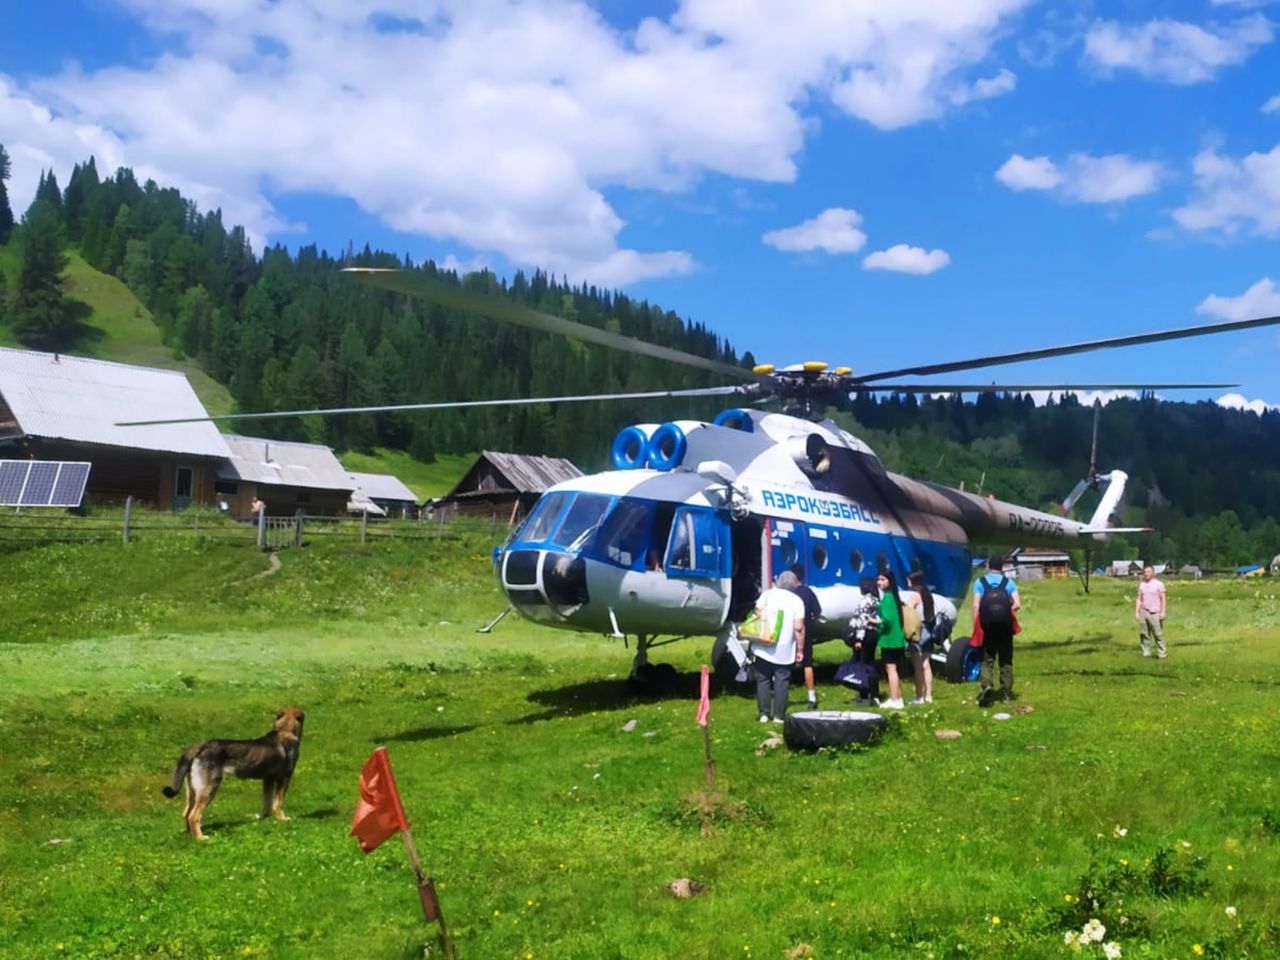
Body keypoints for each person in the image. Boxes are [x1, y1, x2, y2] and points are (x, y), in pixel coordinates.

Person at [746, 571, 807, 723]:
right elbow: (799, 627)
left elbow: (757, 614)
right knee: (782, 681)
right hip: (785, 649)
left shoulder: (767, 595)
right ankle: (779, 716)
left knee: (763, 680)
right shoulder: (797, 601)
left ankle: (764, 714)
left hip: (763, 644)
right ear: (794, 584)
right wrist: (800, 650)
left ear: (778, 582)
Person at [972, 555, 1020, 707]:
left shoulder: (980, 582)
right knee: (1005, 659)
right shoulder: (1008, 582)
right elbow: (1017, 604)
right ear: (1002, 567)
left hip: (987, 627)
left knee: (987, 659)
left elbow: (975, 606)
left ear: (988, 566)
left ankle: (987, 686)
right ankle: (1006, 692)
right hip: (1005, 627)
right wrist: (1006, 610)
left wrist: (977, 624)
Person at [868, 569, 907, 710]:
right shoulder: (893, 596)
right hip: (896, 638)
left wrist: (873, 621)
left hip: (890, 639)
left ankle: (895, 699)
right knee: (893, 668)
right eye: (878, 579)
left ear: (890, 581)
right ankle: (898, 697)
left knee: (891, 669)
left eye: (883, 579)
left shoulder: (888, 598)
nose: (879, 582)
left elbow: (888, 620)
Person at [787, 565, 822, 708]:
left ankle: (782, 693)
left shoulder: (788, 594)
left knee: (784, 664)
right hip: (806, 631)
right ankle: (811, 696)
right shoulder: (808, 592)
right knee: (807, 664)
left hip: (789, 631)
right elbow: (818, 611)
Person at [846, 576, 881, 704]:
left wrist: (858, 639)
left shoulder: (864, 601)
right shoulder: (876, 600)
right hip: (873, 633)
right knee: (870, 663)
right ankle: (875, 693)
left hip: (864, 634)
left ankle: (864, 695)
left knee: (863, 664)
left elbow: (862, 621)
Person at [906, 571, 936, 705]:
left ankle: (919, 696)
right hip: (928, 630)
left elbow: (908, 612)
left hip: (917, 630)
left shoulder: (914, 596)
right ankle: (929, 694)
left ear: (912, 581)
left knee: (917, 665)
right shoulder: (928, 596)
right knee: (926, 664)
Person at [1134, 564, 1168, 659]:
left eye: (1148, 572)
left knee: (1158, 633)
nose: (1146, 574)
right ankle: (1146, 652)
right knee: (1144, 633)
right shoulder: (1142, 585)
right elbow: (1139, 599)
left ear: (1153, 573)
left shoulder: (1159, 584)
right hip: (1144, 611)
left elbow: (1163, 599)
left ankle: (1162, 653)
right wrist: (1137, 612)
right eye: (1145, 572)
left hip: (1155, 612)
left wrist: (1163, 612)